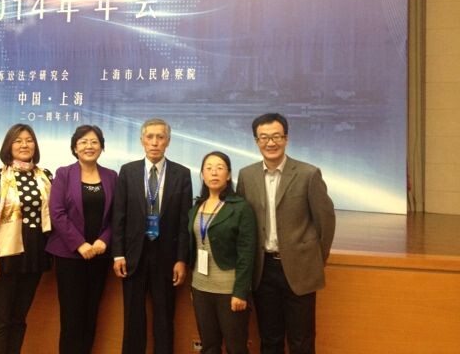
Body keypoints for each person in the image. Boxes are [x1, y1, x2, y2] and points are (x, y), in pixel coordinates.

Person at [236, 113, 336, 354]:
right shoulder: (247, 175)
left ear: (286, 138)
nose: (270, 143)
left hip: (299, 268)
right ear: (256, 141)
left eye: (276, 136)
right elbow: (243, 223)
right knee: (270, 339)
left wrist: (315, 258)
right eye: (264, 137)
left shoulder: (308, 174)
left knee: (301, 341)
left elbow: (325, 221)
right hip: (263, 269)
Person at [112, 118, 193, 354]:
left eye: (160, 137)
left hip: (167, 257)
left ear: (168, 141)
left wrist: (181, 259)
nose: (155, 142)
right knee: (132, 318)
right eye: (150, 137)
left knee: (164, 318)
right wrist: (118, 254)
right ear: (142, 140)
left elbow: (184, 221)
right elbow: (119, 215)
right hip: (133, 256)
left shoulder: (182, 174)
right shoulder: (128, 171)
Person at [0, 123, 53, 354]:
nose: (24, 145)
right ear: (9, 146)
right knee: (0, 320)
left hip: (34, 255)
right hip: (4, 254)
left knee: (19, 318)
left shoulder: (45, 176)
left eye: (29, 140)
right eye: (18, 141)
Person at [46, 125, 118, 353]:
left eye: (94, 142)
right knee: (72, 317)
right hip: (69, 256)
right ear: (75, 148)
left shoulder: (112, 176)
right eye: (83, 142)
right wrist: (79, 244)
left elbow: (118, 214)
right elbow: (57, 212)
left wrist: (104, 239)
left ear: (102, 147)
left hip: (99, 255)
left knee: (91, 314)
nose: (89, 146)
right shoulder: (64, 174)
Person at [188, 151, 257, 354]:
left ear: (228, 175)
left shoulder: (241, 208)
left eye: (220, 168)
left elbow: (246, 253)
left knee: (236, 347)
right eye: (208, 168)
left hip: (229, 290)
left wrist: (240, 292)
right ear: (202, 174)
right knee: (209, 346)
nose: (214, 172)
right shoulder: (196, 207)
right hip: (200, 287)